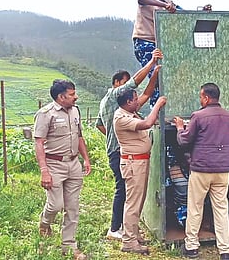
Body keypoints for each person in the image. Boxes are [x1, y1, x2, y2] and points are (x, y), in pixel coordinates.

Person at [95, 48, 163, 240]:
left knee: (128, 192)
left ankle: (126, 228)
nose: (128, 88)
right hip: (122, 153)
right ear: (116, 84)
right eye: (124, 84)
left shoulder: (122, 106)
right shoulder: (113, 97)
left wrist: (155, 75)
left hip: (119, 149)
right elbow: (135, 83)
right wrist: (151, 62)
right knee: (123, 191)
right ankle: (115, 229)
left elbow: (99, 124)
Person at [174, 83, 229, 260]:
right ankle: (225, 251)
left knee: (195, 207)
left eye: (201, 97)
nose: (200, 100)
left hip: (201, 169)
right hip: (223, 170)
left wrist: (180, 127)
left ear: (207, 98)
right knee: (221, 209)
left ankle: (192, 247)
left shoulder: (198, 116)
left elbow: (184, 141)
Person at [33, 79, 92, 260]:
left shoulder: (75, 111)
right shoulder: (45, 114)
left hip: (73, 164)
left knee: (72, 207)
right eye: (72, 94)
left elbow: (79, 136)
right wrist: (44, 170)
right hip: (54, 165)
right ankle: (44, 223)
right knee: (55, 205)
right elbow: (39, 143)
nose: (76, 97)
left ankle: (69, 246)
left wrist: (86, 159)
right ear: (61, 96)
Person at [114, 89, 167, 254]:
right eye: (136, 99)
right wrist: (158, 104)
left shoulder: (131, 112)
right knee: (133, 203)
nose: (138, 102)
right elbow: (146, 124)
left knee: (139, 200)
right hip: (133, 163)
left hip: (139, 161)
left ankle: (134, 234)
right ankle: (129, 241)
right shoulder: (121, 118)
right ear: (128, 102)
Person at [132, 0, 180, 106]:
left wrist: (203, 11)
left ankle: (164, 107)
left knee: (166, 76)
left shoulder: (170, 3)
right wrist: (164, 6)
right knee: (156, 75)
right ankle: (156, 109)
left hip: (161, 44)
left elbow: (184, 13)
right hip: (144, 41)